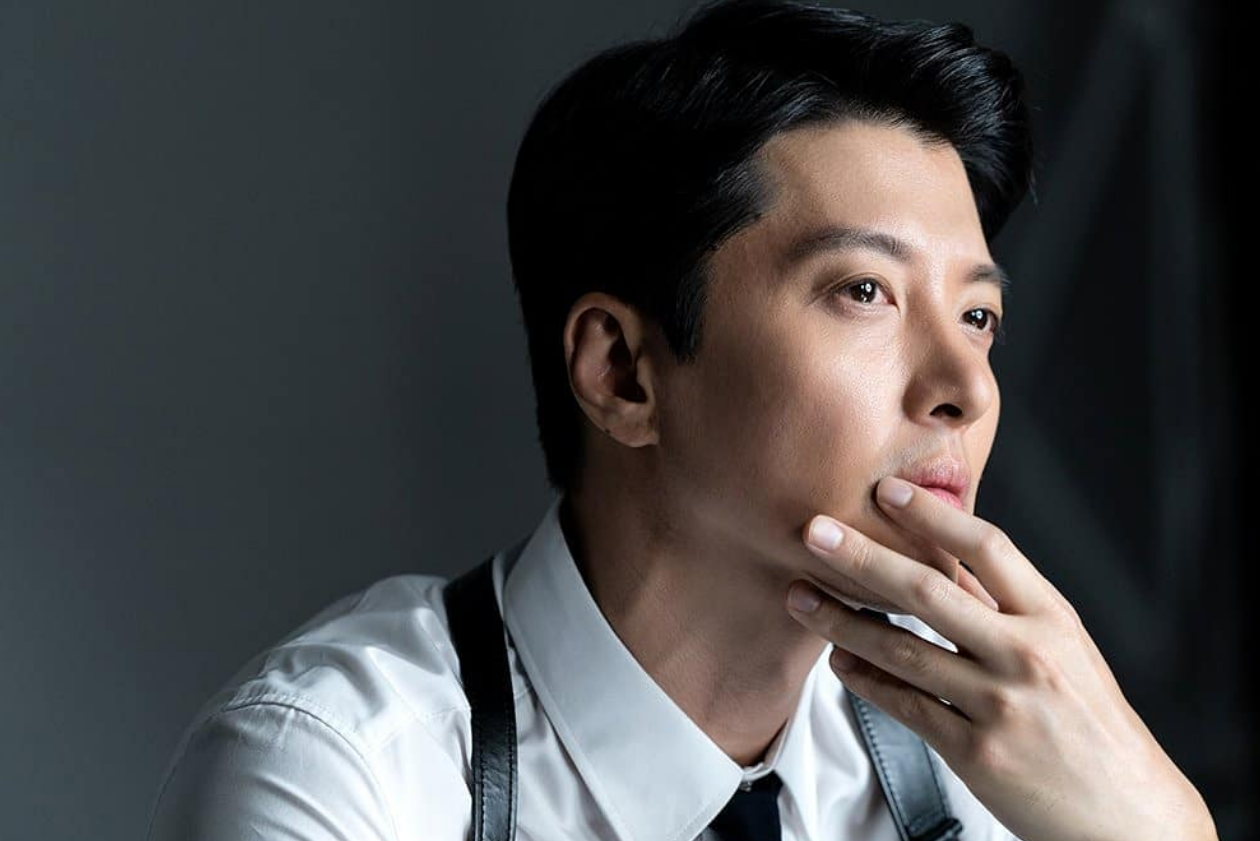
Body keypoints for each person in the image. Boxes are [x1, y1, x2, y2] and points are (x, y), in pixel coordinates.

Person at [146, 0, 1218, 838]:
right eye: (866, 291)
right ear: (623, 373)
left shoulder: (997, 752)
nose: (967, 389)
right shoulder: (341, 769)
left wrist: (1155, 827)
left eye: (978, 315)